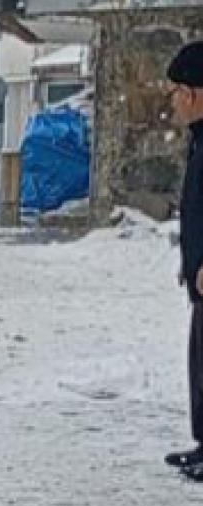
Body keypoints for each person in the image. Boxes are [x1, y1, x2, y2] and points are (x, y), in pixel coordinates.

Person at [162, 40, 203, 475]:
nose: (173, 101)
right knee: (200, 360)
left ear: (192, 92)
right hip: (199, 271)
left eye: (175, 91)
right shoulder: (199, 138)